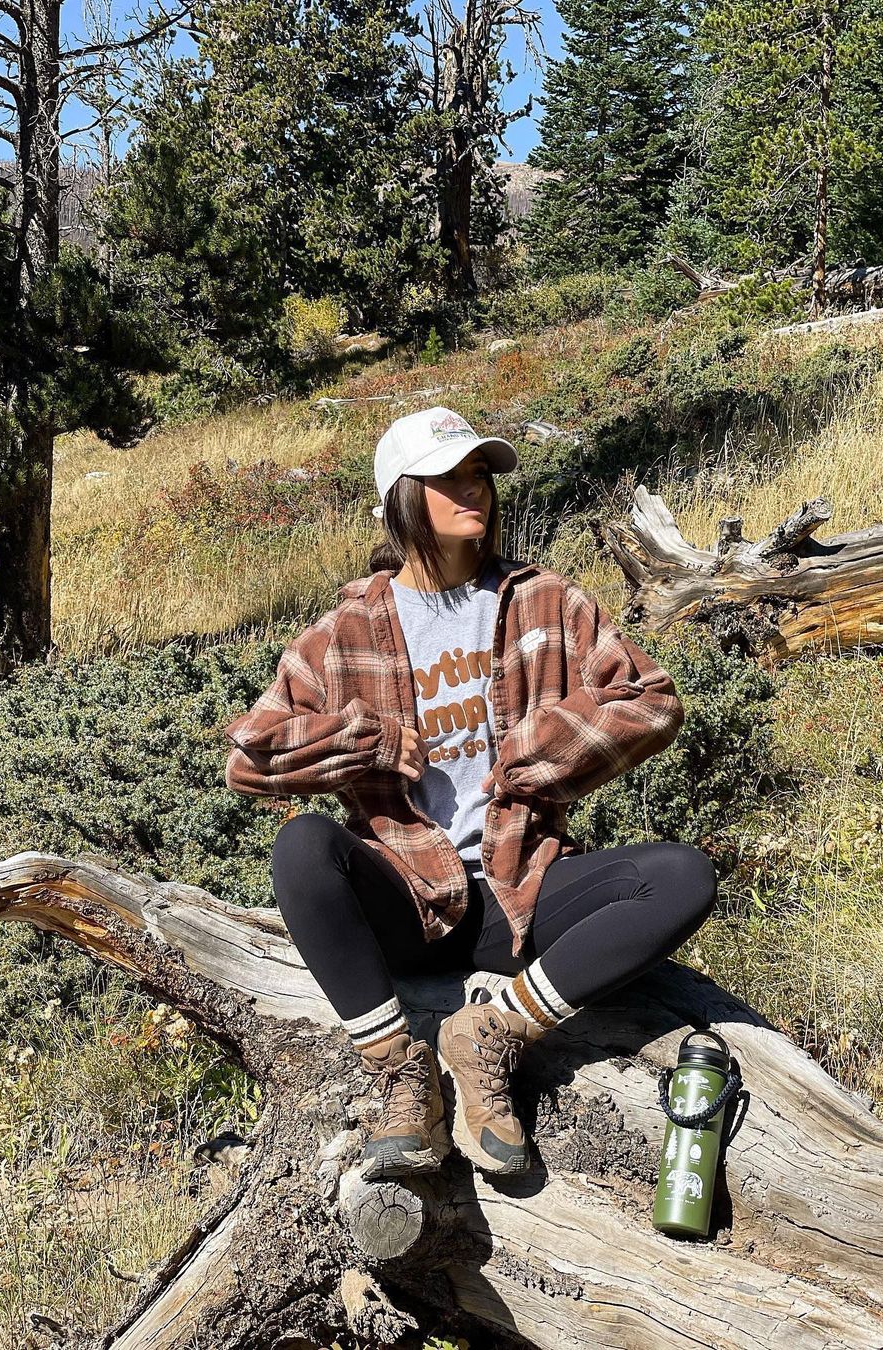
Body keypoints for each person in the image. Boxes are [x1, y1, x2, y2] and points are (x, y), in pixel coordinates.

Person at [224, 405, 717, 1180]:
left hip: (522, 891)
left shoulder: (545, 601)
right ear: (401, 498)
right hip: (408, 898)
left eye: (479, 473)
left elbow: (651, 702)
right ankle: (399, 1071)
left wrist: (539, 749)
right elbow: (250, 758)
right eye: (447, 477)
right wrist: (365, 743)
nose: (472, 490)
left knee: (682, 876)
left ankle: (492, 1032)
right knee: (303, 847)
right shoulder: (346, 630)